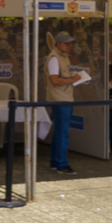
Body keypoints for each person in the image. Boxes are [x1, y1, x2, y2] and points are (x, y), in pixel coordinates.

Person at [45, 32, 81, 175]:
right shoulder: (54, 58)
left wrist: (72, 78)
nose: (69, 46)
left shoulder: (61, 57)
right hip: (60, 99)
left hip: (63, 97)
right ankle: (61, 164)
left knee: (60, 132)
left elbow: (60, 78)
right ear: (58, 44)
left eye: (70, 43)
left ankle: (55, 162)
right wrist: (73, 79)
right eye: (66, 43)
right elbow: (55, 80)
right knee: (63, 132)